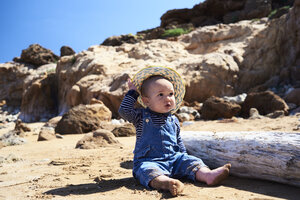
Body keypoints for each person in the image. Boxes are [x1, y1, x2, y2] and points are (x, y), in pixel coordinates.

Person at [119, 66, 231, 196]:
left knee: (192, 162)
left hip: (175, 159)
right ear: (146, 101)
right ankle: (166, 182)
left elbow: (178, 141)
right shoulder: (141, 117)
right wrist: (132, 92)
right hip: (149, 160)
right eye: (160, 95)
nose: (168, 98)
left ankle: (207, 175)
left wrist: (184, 156)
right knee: (146, 171)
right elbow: (124, 111)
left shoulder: (174, 120)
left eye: (170, 94)